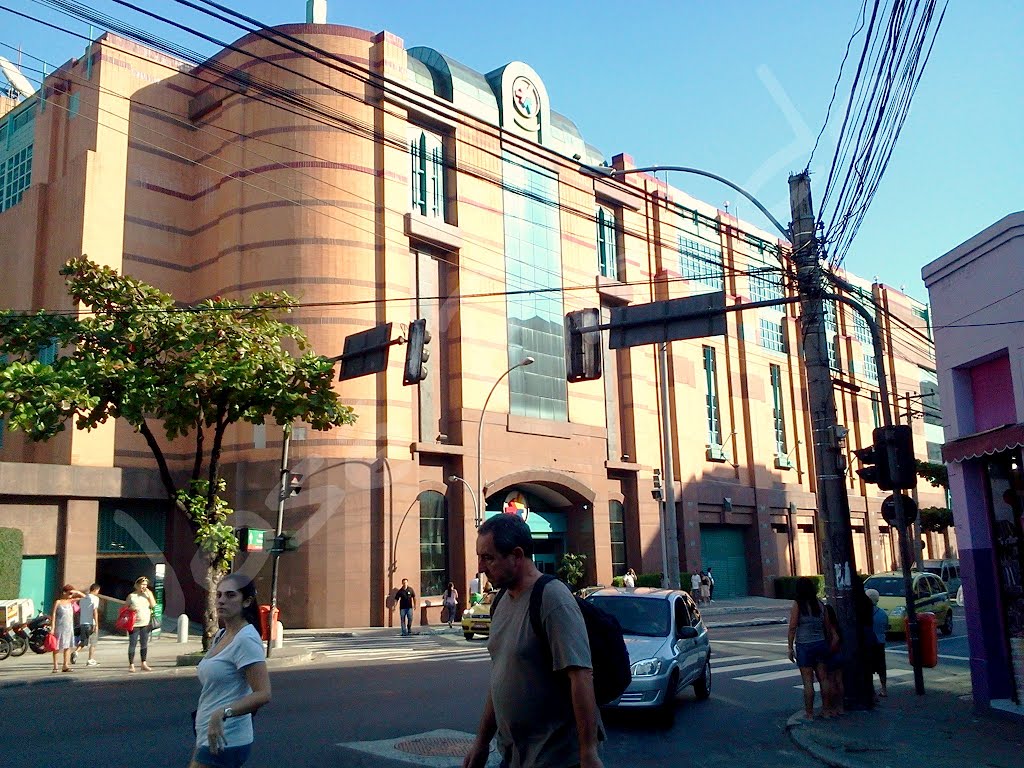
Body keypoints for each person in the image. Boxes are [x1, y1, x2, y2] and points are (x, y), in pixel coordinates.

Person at [463, 513, 604, 768]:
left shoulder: (552, 598)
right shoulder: (501, 601)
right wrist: (481, 743)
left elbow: (581, 677)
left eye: (488, 558)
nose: (481, 568)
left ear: (517, 556)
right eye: (479, 557)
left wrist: (589, 753)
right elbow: (499, 679)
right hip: (515, 755)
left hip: (555, 758)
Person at [190, 573, 271, 768]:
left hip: (228, 738)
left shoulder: (246, 640)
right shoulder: (221, 635)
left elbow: (263, 693)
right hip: (208, 734)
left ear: (247, 601)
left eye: (230, 595)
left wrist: (222, 713)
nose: (221, 601)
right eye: (219, 595)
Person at [787, 577, 837, 719]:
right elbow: (827, 627)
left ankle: (809, 713)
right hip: (821, 643)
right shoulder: (820, 605)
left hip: (804, 645)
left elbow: (792, 627)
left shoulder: (798, 605)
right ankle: (826, 710)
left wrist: (790, 647)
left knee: (808, 681)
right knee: (824, 678)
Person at [125, 576, 157, 672]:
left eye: (146, 585)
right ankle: (131, 664)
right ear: (137, 585)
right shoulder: (131, 596)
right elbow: (125, 608)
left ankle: (144, 663)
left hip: (145, 622)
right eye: (142, 584)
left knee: (144, 643)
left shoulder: (147, 595)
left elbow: (153, 605)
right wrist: (131, 608)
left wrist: (149, 594)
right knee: (133, 643)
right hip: (134, 623)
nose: (144, 586)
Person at [50, 584, 85, 673]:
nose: (70, 595)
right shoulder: (58, 602)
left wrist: (77, 592)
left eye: (71, 594)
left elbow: (85, 598)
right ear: (64, 592)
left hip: (69, 627)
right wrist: (52, 627)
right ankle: (55, 666)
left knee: (68, 646)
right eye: (69, 593)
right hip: (59, 627)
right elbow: (53, 614)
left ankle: (65, 665)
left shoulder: (71, 601)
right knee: (56, 647)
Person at [865, 588, 889, 698]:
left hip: (868, 643)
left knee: (868, 667)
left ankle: (871, 691)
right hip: (880, 642)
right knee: (881, 667)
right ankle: (884, 689)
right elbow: (885, 628)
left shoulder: (863, 614)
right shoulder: (882, 614)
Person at [73, 583, 102, 666]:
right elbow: (95, 611)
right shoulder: (95, 598)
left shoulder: (82, 599)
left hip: (83, 622)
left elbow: (79, 610)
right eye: (98, 591)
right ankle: (90, 659)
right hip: (91, 623)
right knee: (93, 642)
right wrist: (96, 624)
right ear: (96, 590)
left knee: (84, 641)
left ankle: (76, 652)